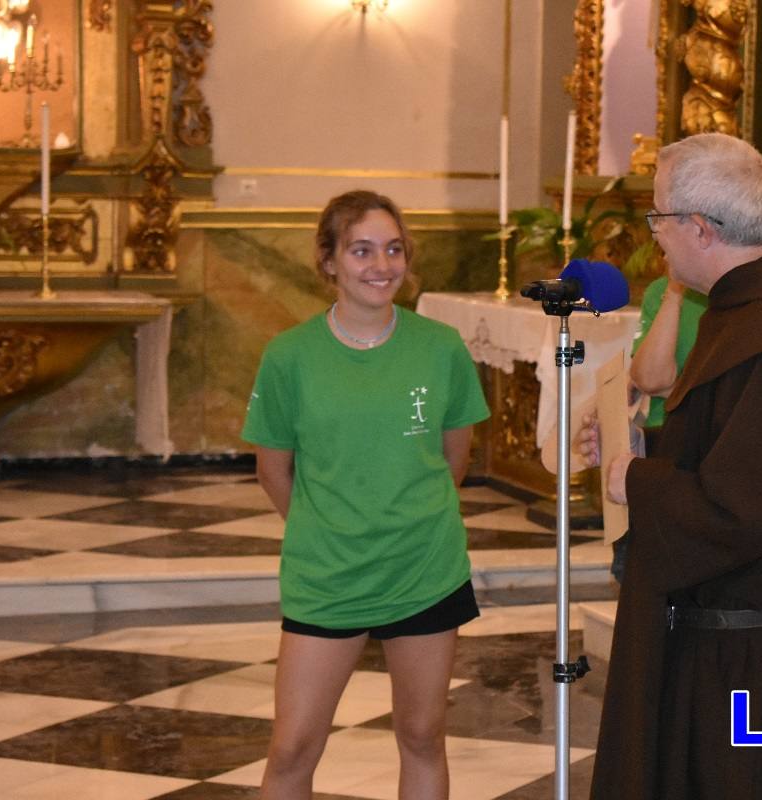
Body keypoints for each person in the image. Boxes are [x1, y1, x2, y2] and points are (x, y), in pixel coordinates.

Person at [584, 132, 762, 800]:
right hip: (734, 644)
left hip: (752, 665)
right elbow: (734, 451)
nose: (655, 236)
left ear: (701, 229)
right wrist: (646, 455)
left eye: (659, 217)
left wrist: (637, 481)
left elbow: (754, 509)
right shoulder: (746, 314)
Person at [241, 190, 490, 800]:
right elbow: (273, 468)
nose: (382, 264)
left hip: (424, 566)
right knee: (294, 745)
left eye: (393, 248)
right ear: (328, 261)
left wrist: (413, 514)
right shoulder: (289, 356)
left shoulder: (440, 347)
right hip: (327, 574)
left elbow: (455, 454)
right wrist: (324, 527)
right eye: (361, 250)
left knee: (423, 735)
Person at [629, 273, 707, 455]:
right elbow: (649, 379)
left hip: (718, 437)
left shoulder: (737, 292)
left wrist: (671, 390)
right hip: (661, 434)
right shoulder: (660, 290)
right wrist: (674, 293)